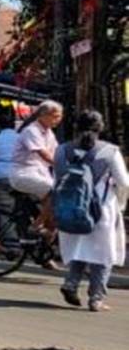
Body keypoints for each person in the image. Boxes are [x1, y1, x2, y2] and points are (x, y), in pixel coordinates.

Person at [54, 110, 129, 312]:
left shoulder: (61, 150)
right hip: (101, 210)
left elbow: (57, 179)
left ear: (76, 127)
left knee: (79, 249)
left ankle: (70, 284)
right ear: (100, 128)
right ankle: (96, 298)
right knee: (103, 255)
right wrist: (120, 204)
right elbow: (124, 182)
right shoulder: (110, 151)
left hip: (69, 209)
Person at [10, 99, 63, 214]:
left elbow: (57, 153)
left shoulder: (49, 133)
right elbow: (43, 154)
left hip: (40, 173)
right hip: (24, 174)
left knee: (55, 205)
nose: (58, 120)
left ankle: (49, 227)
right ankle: (37, 225)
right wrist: (62, 165)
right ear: (43, 115)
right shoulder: (31, 131)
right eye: (55, 116)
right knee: (55, 192)